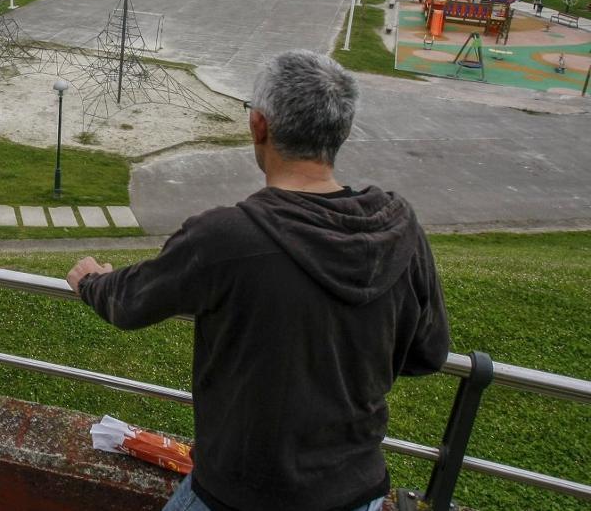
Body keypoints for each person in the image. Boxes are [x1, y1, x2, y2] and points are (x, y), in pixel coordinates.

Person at [67, 50, 449, 511]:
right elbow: (427, 354)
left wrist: (91, 282)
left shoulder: (227, 237)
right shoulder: (398, 227)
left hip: (241, 492)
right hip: (356, 491)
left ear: (260, 125)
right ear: (341, 130)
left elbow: (131, 302)